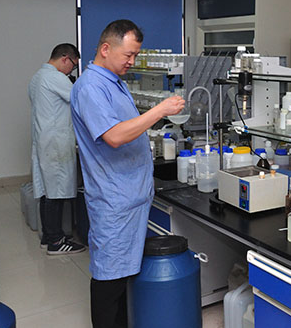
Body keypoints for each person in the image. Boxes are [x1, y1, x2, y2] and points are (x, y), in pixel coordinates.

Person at [70, 19, 184, 328]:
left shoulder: (114, 82)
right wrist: (160, 111)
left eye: (136, 55)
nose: (132, 62)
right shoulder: (91, 87)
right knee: (109, 281)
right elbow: (115, 136)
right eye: (128, 55)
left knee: (122, 278)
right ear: (106, 49)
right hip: (114, 201)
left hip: (129, 195)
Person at [29, 43, 85, 255]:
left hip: (44, 141)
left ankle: (49, 236)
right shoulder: (56, 78)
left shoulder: (37, 77)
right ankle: (56, 242)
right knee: (56, 193)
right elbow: (80, 100)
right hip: (56, 143)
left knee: (48, 191)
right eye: (73, 65)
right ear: (65, 58)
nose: (72, 70)